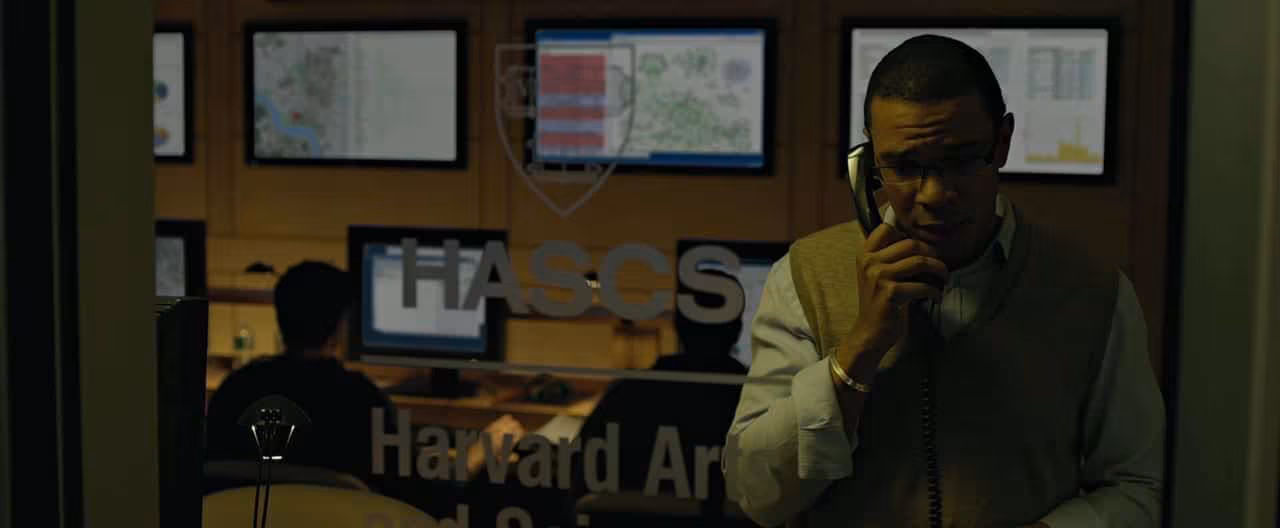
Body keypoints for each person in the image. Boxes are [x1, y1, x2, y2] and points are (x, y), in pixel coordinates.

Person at [723, 35, 1164, 527]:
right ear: (869, 164)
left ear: (1002, 142)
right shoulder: (806, 276)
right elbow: (756, 493)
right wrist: (860, 349)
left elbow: (1136, 486)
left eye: (960, 160)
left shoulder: (1092, 292)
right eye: (904, 166)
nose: (934, 194)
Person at [205, 261, 525, 490]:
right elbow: (422, 492)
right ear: (339, 328)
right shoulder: (357, 400)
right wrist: (478, 453)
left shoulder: (236, 389)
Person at [569, 269, 748, 522]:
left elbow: (577, 479)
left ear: (677, 325)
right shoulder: (762, 404)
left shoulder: (625, 398)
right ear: (737, 330)